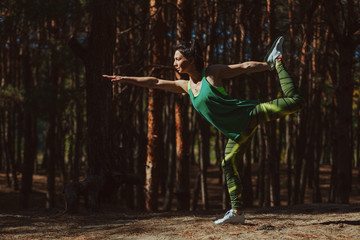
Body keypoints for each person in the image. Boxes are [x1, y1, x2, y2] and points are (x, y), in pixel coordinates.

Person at [103, 36, 304, 224]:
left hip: (250, 114)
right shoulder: (186, 86)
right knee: (228, 163)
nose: (174, 63)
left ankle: (277, 61)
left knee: (295, 102)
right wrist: (124, 79)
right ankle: (237, 213)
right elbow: (155, 82)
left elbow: (243, 67)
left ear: (190, 59)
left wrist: (269, 65)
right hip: (236, 133)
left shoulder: (212, 73)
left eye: (178, 59)